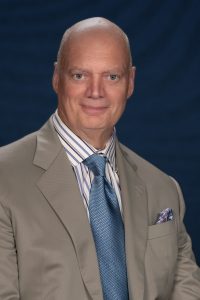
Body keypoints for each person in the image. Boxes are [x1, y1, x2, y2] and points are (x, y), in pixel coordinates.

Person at [0, 17, 199, 300]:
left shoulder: (163, 189)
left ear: (131, 82)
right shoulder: (4, 179)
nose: (96, 92)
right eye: (80, 75)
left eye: (112, 77)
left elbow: (187, 290)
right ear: (57, 78)